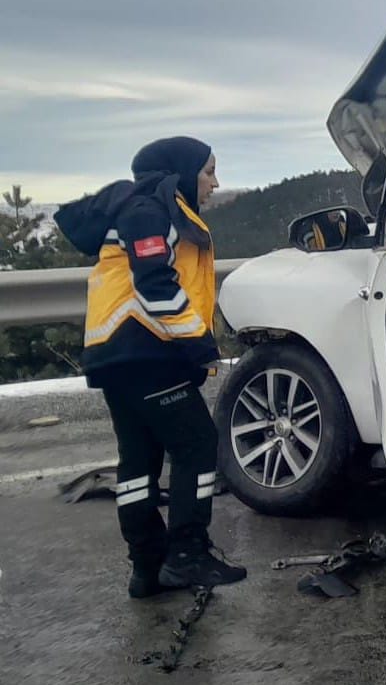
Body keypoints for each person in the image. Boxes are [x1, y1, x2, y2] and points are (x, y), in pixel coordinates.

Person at [54, 138, 248, 596]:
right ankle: (186, 555)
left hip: (121, 356)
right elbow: (155, 285)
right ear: (180, 171)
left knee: (138, 462)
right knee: (197, 444)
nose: (215, 183)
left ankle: (147, 567)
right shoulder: (150, 211)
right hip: (145, 351)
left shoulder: (147, 208)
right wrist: (198, 342)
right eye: (208, 171)